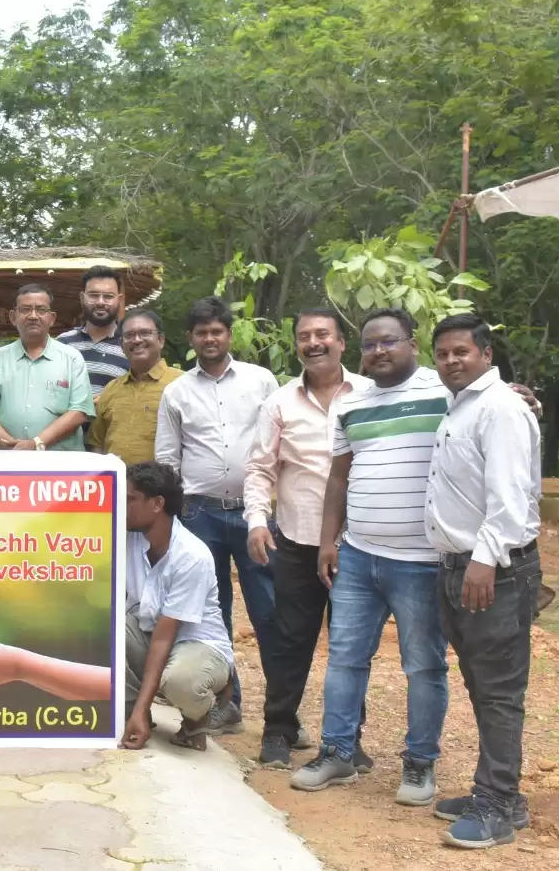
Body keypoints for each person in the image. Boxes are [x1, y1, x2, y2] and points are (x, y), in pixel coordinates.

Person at [291, 308, 448, 807]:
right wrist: (328, 540)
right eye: (370, 345)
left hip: (422, 560)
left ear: (412, 344)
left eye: (389, 342)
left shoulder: (444, 392)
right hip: (358, 555)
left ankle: (420, 764)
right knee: (344, 659)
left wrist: (517, 396)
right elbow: (338, 476)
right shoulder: (350, 405)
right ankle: (337, 752)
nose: (379, 351)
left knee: (423, 666)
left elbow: (490, 407)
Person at [426, 314, 542, 850]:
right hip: (459, 567)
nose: (451, 361)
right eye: (443, 353)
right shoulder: (461, 407)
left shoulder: (501, 409)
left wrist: (485, 559)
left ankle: (496, 805)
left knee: (498, 691)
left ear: (486, 355)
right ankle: (501, 796)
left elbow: (511, 496)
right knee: (480, 683)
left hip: (493, 570)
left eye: (461, 352)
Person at [243, 308, 371, 769]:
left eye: (323, 335)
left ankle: (348, 740)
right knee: (290, 639)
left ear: (341, 342)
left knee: (351, 643)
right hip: (296, 542)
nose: (313, 343)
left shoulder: (371, 395)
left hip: (359, 543)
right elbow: (260, 467)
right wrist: (258, 520)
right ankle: (279, 730)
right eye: (304, 336)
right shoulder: (280, 402)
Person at [155, 295, 279, 729]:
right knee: (211, 612)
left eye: (217, 331)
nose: (210, 338)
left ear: (228, 334)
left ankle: (281, 716)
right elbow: (167, 458)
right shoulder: (176, 392)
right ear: (191, 339)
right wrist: (172, 515)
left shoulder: (262, 381)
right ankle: (228, 705)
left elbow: (277, 440)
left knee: (269, 610)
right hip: (198, 515)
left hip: (254, 515)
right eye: (202, 332)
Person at [118, 462, 236, 752]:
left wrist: (142, 704)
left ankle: (202, 714)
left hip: (197, 644)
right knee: (107, 630)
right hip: (149, 631)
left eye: (130, 499)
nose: (121, 505)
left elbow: (164, 636)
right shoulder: (128, 537)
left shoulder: (191, 555)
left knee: (182, 682)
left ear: (157, 503)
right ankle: (135, 714)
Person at [0, 283, 94, 451]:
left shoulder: (72, 359)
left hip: (59, 467)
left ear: (52, 318)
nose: (33, 316)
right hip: (5, 463)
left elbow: (79, 411)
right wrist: (14, 449)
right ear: (13, 317)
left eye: (41, 310)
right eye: (25, 309)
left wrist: (36, 443)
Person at [89, 308, 182, 464]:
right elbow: (96, 444)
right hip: (117, 485)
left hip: (165, 486)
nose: (137, 340)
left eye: (145, 333)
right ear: (122, 345)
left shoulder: (181, 384)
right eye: (129, 335)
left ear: (161, 340)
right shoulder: (111, 389)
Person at [59, 265, 129, 397]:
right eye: (93, 295)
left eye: (108, 296)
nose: (100, 302)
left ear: (119, 300)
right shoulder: (62, 343)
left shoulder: (130, 346)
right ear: (82, 298)